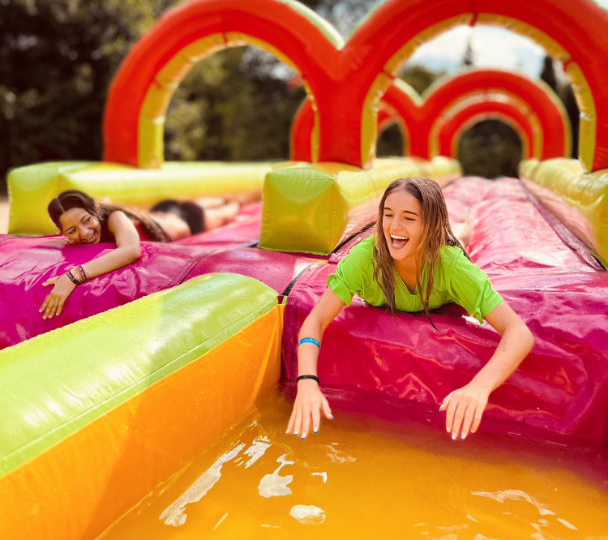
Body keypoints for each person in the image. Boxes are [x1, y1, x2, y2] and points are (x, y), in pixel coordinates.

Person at [286, 177, 534, 442]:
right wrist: (307, 382)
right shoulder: (365, 258)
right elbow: (316, 321)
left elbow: (519, 332)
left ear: (430, 224)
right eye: (388, 214)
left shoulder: (451, 267)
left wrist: (479, 387)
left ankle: (462, 232)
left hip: (441, 271)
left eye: (409, 218)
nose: (394, 226)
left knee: (459, 239)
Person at [40, 190, 240, 320]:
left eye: (86, 220)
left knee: (225, 212)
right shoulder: (74, 234)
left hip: (183, 221)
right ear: (62, 233)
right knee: (196, 203)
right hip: (157, 213)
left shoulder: (114, 218)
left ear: (95, 213)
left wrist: (73, 276)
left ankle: (234, 200)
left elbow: (131, 250)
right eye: (72, 231)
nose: (84, 233)